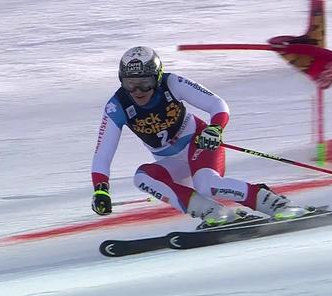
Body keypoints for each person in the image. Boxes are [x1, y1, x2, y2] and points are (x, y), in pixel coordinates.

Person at [90, 46, 310, 229]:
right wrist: (101, 189)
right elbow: (103, 154)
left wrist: (215, 129)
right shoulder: (117, 106)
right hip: (171, 162)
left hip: (200, 143)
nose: (138, 90)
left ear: (157, 77)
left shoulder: (172, 83)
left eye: (145, 82)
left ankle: (278, 205)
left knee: (207, 184)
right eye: (130, 83)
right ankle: (214, 212)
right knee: (141, 178)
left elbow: (217, 104)